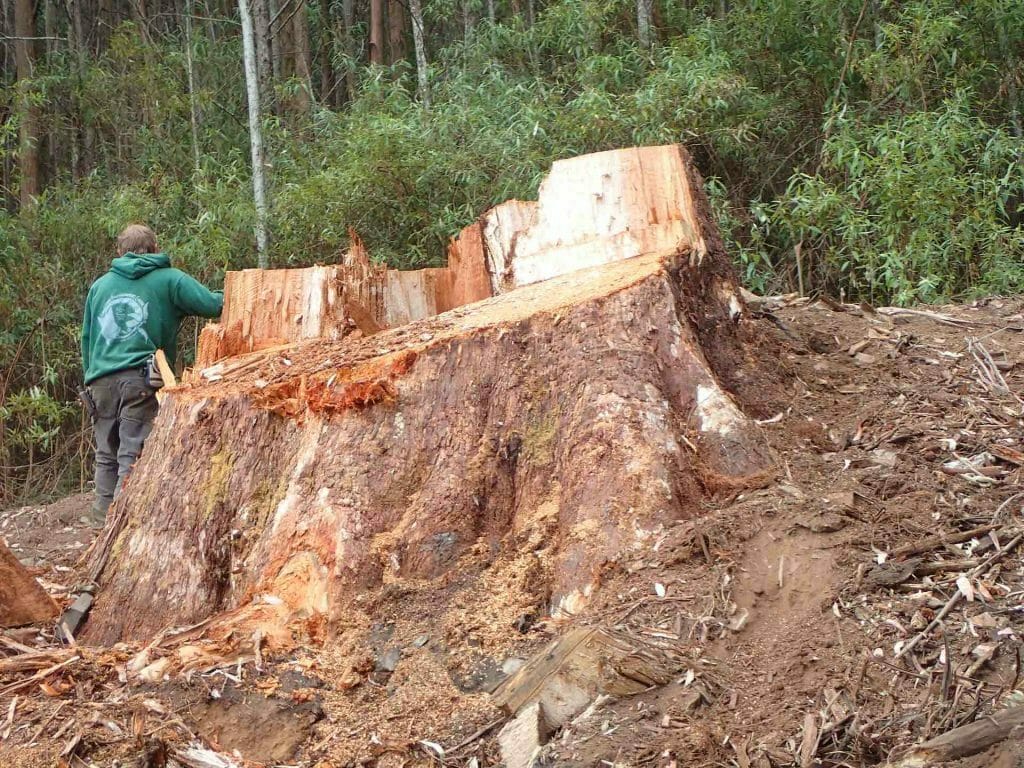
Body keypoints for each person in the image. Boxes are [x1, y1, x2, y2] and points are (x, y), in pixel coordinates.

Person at [80, 224, 224, 526]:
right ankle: (119, 529)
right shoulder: (170, 279)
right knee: (132, 453)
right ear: (154, 247)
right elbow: (214, 305)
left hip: (100, 381)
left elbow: (88, 338)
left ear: (120, 251)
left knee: (107, 454)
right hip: (141, 379)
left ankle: (100, 525)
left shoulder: (100, 286)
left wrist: (91, 377)